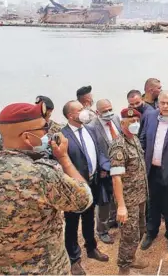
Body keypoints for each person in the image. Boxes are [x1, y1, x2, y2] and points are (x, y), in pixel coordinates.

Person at [0, 102, 93, 274]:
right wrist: (64, 158)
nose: (47, 133)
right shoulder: (43, 174)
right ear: (27, 137)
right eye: (44, 128)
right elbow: (84, 200)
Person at [61, 101, 110, 274]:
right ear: (71, 116)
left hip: (93, 183)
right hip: (73, 189)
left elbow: (100, 152)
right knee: (72, 223)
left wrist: (105, 167)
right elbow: (60, 163)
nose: (84, 112)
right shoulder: (62, 136)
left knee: (89, 218)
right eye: (80, 110)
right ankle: (74, 259)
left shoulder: (90, 130)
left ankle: (91, 248)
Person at [139, 90, 168, 254]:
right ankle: (151, 232)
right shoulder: (149, 116)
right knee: (152, 204)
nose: (165, 106)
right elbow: (142, 138)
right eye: (162, 103)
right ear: (158, 103)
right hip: (152, 170)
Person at [109, 108, 149, 275]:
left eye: (137, 121)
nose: (135, 124)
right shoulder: (119, 145)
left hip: (140, 196)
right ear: (122, 122)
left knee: (140, 230)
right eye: (130, 121)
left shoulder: (135, 140)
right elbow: (116, 178)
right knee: (129, 236)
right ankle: (124, 269)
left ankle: (131, 258)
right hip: (128, 200)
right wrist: (121, 206)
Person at [88, 99, 122, 244]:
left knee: (117, 195)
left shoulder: (115, 119)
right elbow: (95, 151)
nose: (108, 113)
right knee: (104, 202)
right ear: (97, 112)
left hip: (119, 165)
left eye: (110, 109)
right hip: (103, 169)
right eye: (104, 111)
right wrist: (103, 168)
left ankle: (113, 221)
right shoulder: (91, 127)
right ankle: (102, 230)